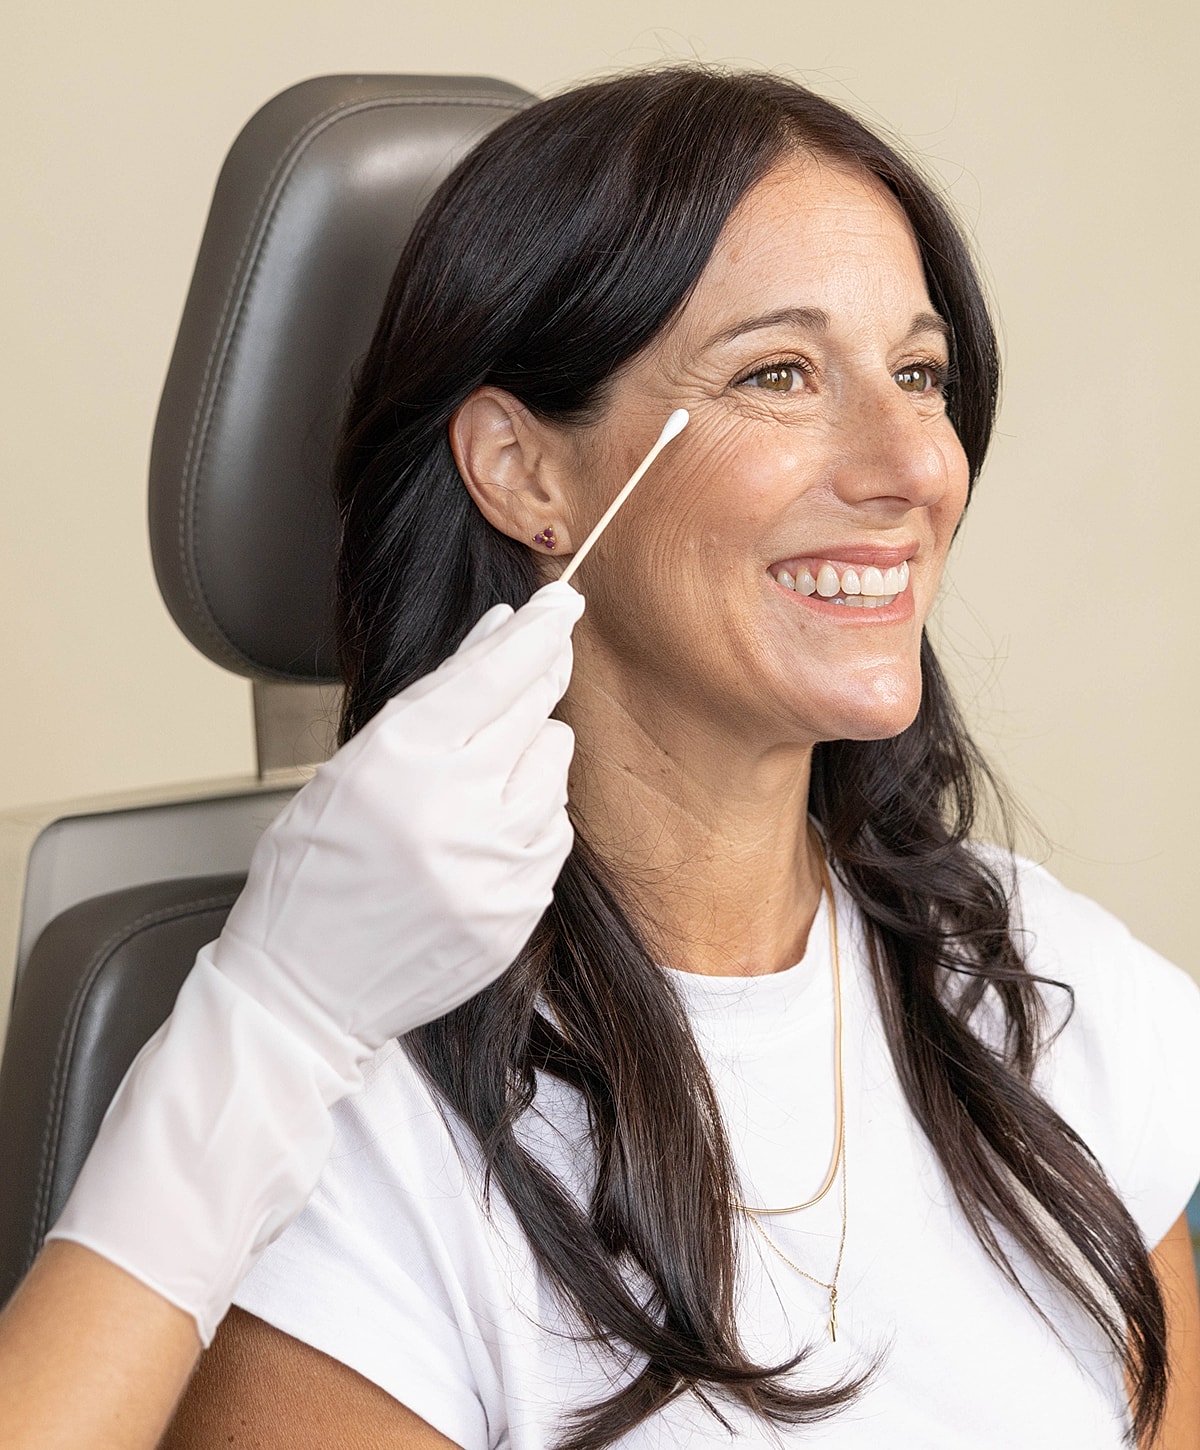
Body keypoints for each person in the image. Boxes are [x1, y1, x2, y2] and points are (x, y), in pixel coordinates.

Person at [3, 65, 1198, 1449]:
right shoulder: (366, 1138)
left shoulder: (1041, 992)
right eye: (779, 372)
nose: (912, 464)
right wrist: (275, 1019)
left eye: (919, 373)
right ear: (524, 470)